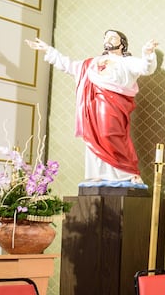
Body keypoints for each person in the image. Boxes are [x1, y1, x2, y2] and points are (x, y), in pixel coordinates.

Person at [27, 31, 158, 186]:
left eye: (113, 37)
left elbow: (146, 68)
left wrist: (147, 54)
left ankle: (127, 172)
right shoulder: (91, 63)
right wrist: (48, 50)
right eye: (106, 37)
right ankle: (98, 173)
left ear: (122, 43)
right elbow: (68, 65)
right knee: (92, 138)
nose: (108, 40)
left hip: (114, 105)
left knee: (111, 134)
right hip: (91, 105)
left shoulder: (127, 62)